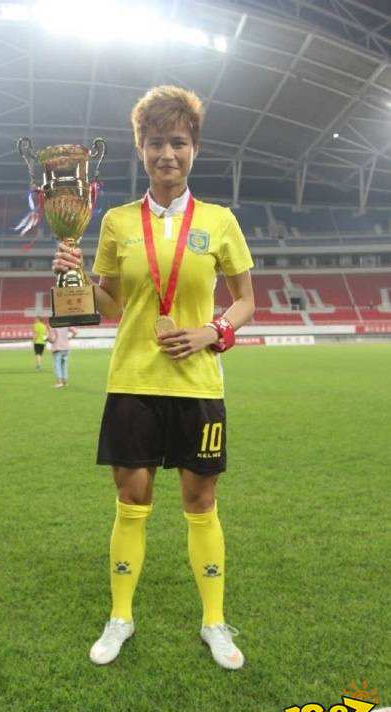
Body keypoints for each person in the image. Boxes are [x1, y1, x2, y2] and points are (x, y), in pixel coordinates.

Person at [52, 86, 255, 669]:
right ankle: (121, 617)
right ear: (140, 149)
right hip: (133, 382)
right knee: (131, 498)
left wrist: (212, 331)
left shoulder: (219, 221)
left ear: (195, 149)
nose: (168, 153)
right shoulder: (116, 222)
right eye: (157, 142)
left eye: (179, 142)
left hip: (197, 385)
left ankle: (214, 622)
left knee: (201, 499)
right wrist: (74, 275)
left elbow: (246, 300)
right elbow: (112, 305)